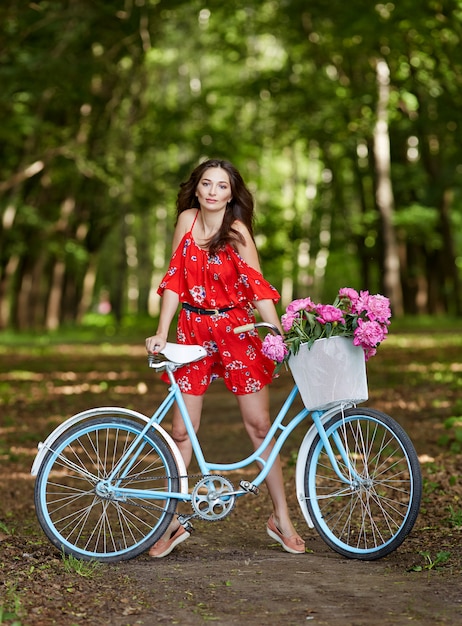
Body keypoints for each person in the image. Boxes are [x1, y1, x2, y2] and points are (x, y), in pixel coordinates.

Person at [145, 158, 305, 557]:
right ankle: (172, 521)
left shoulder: (237, 231)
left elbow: (258, 287)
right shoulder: (186, 220)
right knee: (181, 430)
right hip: (193, 330)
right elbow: (174, 279)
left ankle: (281, 517)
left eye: (221, 186)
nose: (213, 191)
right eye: (206, 184)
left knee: (259, 425)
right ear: (196, 188)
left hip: (236, 331)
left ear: (232, 194)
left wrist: (276, 333)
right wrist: (162, 331)